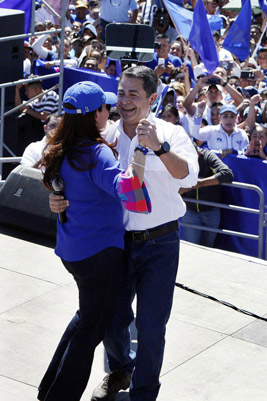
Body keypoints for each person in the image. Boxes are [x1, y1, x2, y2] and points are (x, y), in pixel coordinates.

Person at [51, 66, 199, 400]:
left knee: (150, 326)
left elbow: (188, 177)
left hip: (161, 242)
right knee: (113, 318)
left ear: (152, 98)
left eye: (134, 94)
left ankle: (145, 392)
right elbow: (75, 175)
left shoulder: (170, 133)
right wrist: (58, 199)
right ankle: (120, 372)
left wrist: (158, 148)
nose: (125, 100)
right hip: (117, 245)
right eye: (121, 92)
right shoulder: (105, 135)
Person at [38, 82, 150, 401]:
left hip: (73, 252)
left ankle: (48, 390)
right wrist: (141, 154)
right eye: (104, 107)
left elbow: (58, 187)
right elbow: (132, 195)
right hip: (100, 256)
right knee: (90, 332)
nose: (109, 111)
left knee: (84, 320)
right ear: (93, 115)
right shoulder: (97, 154)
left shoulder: (59, 148)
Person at [179, 145, 234, 247]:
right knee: (191, 248)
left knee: (208, 249)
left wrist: (200, 183)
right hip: (190, 212)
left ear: (198, 153)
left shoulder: (207, 155)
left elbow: (227, 174)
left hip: (211, 210)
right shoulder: (178, 159)